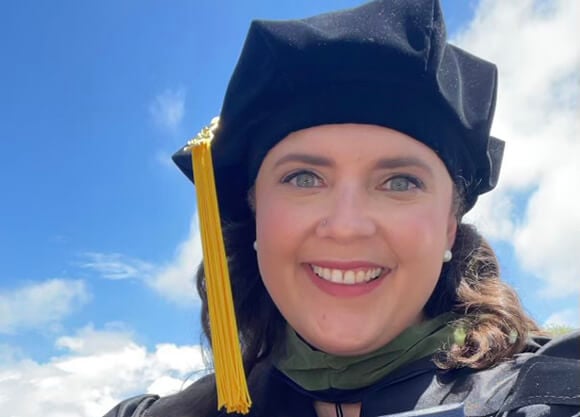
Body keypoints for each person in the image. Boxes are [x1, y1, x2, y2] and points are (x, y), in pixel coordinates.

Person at [104, 1, 580, 416]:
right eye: (303, 178)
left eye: (399, 182)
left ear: (449, 230)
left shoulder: (552, 394)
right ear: (254, 216)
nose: (347, 227)